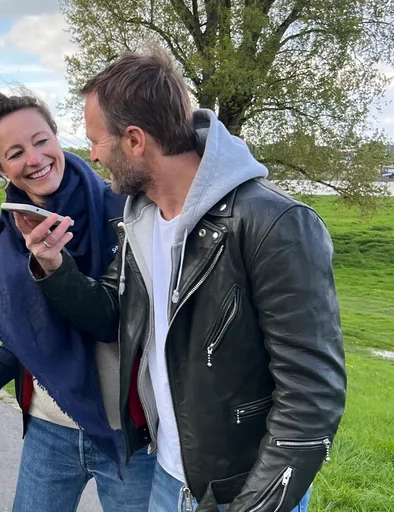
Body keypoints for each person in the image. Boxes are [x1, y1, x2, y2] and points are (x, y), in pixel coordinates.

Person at [20, 47, 346, 512]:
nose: (90, 155)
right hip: (167, 478)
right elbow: (113, 315)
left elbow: (312, 396)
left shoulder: (275, 222)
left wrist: (254, 505)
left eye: (97, 141)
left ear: (135, 141)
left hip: (240, 491)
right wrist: (54, 266)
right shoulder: (142, 218)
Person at [0, 92, 156, 512]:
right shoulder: (10, 233)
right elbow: (28, 326)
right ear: (0, 167)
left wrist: (54, 267)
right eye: (15, 152)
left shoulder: (126, 210)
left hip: (127, 433)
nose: (34, 158)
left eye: (41, 140)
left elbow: (112, 320)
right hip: (50, 424)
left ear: (57, 137)